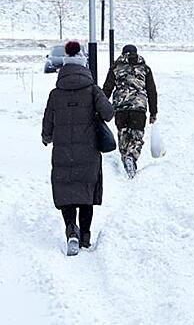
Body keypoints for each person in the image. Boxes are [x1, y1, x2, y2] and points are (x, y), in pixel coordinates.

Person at [41, 40, 114, 256]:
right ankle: (85, 237)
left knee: (67, 190)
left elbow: (48, 120)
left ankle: (71, 230)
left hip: (63, 150)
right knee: (85, 192)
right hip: (89, 150)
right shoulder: (92, 90)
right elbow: (108, 113)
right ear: (83, 64)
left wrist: (47, 137)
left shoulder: (56, 93)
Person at [103, 44, 158, 178]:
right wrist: (153, 112)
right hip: (139, 108)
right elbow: (151, 91)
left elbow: (107, 88)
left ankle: (125, 157)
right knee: (136, 136)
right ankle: (131, 158)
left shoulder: (115, 68)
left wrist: (101, 108)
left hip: (121, 108)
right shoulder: (145, 69)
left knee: (123, 134)